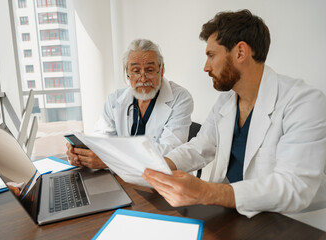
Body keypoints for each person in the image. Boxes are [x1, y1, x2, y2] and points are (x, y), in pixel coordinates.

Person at [143, 9, 326, 218]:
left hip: (288, 221)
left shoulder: (303, 102)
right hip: (234, 214)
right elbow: (201, 146)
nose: (205, 67)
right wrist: (162, 164)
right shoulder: (227, 100)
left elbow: (295, 186)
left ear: (240, 52)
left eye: (211, 55)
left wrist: (205, 191)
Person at [67, 39, 193, 170]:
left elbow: (169, 152)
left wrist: (111, 160)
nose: (143, 79)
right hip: (123, 176)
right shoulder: (115, 100)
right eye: (136, 71)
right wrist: (82, 154)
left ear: (161, 70)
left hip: (164, 180)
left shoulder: (180, 98)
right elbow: (102, 140)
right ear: (127, 73)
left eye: (149, 70)